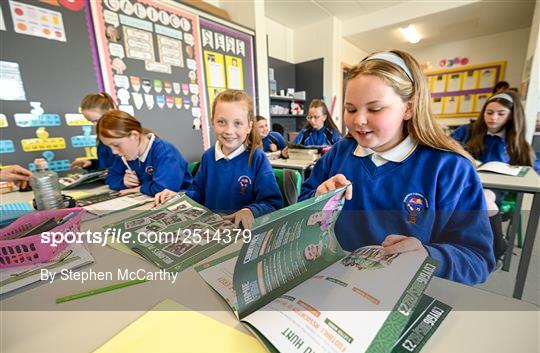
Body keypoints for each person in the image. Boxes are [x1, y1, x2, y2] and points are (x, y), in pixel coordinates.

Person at [299, 50, 495, 285]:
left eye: (374, 109)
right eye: (351, 109)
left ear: (408, 108)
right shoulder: (339, 153)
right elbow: (301, 208)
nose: (359, 120)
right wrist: (319, 199)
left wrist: (428, 256)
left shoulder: (451, 169)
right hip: (331, 281)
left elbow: (477, 259)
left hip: (402, 290)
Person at [155, 90, 282, 229]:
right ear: (213, 123)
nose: (229, 130)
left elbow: (272, 203)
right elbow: (198, 194)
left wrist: (250, 211)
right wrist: (178, 196)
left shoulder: (257, 158)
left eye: (237, 123)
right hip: (211, 230)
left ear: (249, 126)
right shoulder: (208, 156)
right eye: (221, 122)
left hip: (241, 233)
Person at [451, 90, 538, 261]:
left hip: (499, 193)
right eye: (489, 112)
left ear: (512, 116)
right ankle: (470, 244)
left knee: (482, 197)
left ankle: (497, 248)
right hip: (466, 183)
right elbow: (447, 148)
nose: (494, 118)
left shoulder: (514, 140)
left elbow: (531, 167)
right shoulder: (467, 130)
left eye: (501, 113)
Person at [97, 110, 192, 197]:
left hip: (179, 202)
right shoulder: (124, 155)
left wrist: (137, 189)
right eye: (109, 147)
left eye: (116, 145)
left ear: (134, 135)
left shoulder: (165, 152)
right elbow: (110, 178)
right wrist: (123, 181)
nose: (114, 152)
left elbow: (163, 189)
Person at [70, 92, 117, 170]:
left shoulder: (122, 135)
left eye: (97, 120)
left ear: (110, 112)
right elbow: (105, 163)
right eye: (91, 122)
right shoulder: (102, 135)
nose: (95, 125)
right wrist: (91, 163)